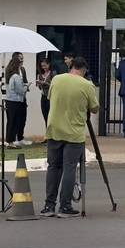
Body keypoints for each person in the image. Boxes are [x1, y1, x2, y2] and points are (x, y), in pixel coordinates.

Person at [41, 56, 99, 218]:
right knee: (69, 168)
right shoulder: (86, 85)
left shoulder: (57, 80)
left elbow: (51, 98)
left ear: (70, 67)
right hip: (73, 133)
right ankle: (65, 206)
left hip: (54, 130)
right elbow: (94, 109)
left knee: (53, 167)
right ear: (84, 70)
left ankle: (49, 205)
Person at [4, 53, 31, 147]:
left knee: (13, 121)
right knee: (13, 121)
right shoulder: (16, 76)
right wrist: (27, 86)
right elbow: (20, 90)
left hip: (11, 100)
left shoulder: (10, 74)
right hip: (15, 101)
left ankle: (12, 140)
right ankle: (11, 141)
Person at [35, 58, 55, 126]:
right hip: (43, 97)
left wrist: (46, 84)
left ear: (48, 64)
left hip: (51, 97)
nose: (44, 67)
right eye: (42, 66)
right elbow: (40, 88)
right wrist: (40, 84)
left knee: (51, 117)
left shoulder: (53, 73)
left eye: (45, 65)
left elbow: (55, 86)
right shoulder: (40, 75)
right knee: (45, 116)